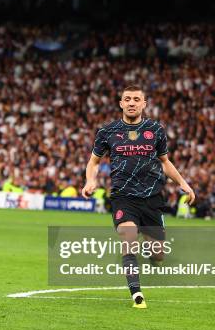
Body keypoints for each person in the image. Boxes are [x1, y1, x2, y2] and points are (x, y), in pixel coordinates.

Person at [81, 85, 195, 309]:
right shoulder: (108, 131)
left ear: (144, 104)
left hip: (152, 198)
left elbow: (164, 161)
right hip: (124, 197)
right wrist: (90, 181)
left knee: (158, 255)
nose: (131, 103)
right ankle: (136, 294)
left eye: (136, 99)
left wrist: (183, 183)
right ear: (121, 103)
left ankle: (151, 240)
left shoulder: (155, 129)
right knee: (128, 238)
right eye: (127, 99)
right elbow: (93, 162)